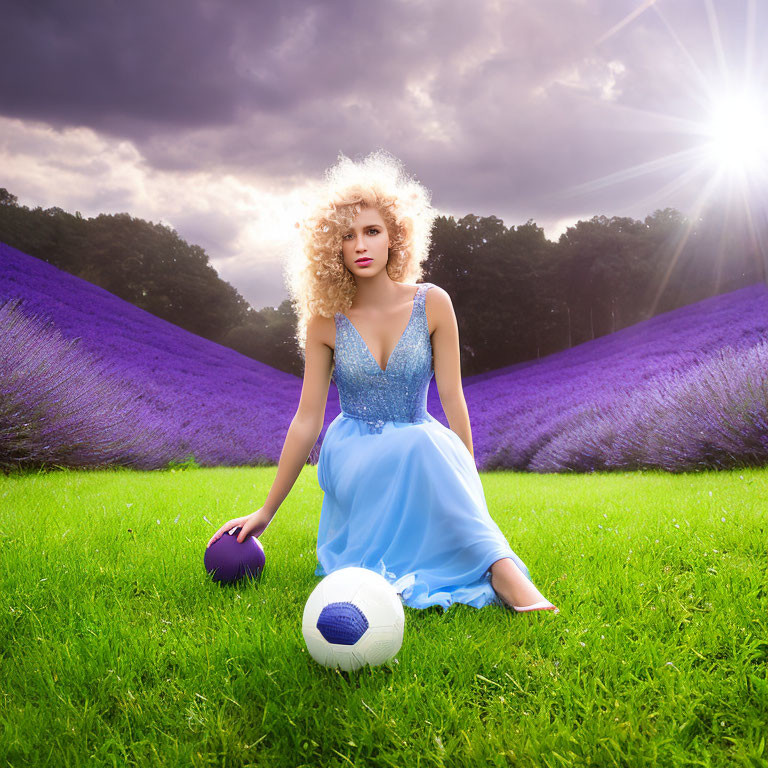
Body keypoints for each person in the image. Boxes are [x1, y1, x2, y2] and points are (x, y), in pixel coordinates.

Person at [207, 150, 557, 614]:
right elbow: (306, 421)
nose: (361, 244)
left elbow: (452, 397)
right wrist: (265, 511)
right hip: (355, 452)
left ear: (395, 236)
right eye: (347, 236)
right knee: (420, 448)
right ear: (333, 249)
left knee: (425, 446)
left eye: (372, 230)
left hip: (422, 440)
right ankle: (500, 573)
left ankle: (500, 567)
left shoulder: (434, 303)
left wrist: (468, 480)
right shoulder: (324, 323)